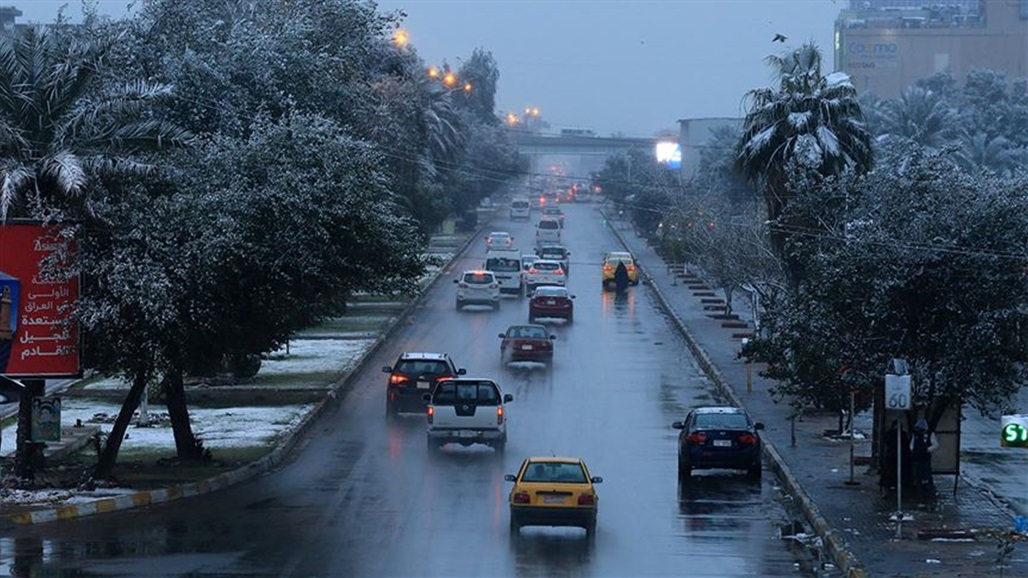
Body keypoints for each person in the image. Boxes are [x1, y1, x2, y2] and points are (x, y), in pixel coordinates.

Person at [909, 418, 939, 499]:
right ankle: (921, 493)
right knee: (918, 475)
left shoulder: (929, 434)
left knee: (926, 475)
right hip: (917, 457)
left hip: (925, 458)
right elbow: (911, 445)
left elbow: (935, 445)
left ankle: (928, 492)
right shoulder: (916, 435)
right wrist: (915, 450)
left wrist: (927, 450)